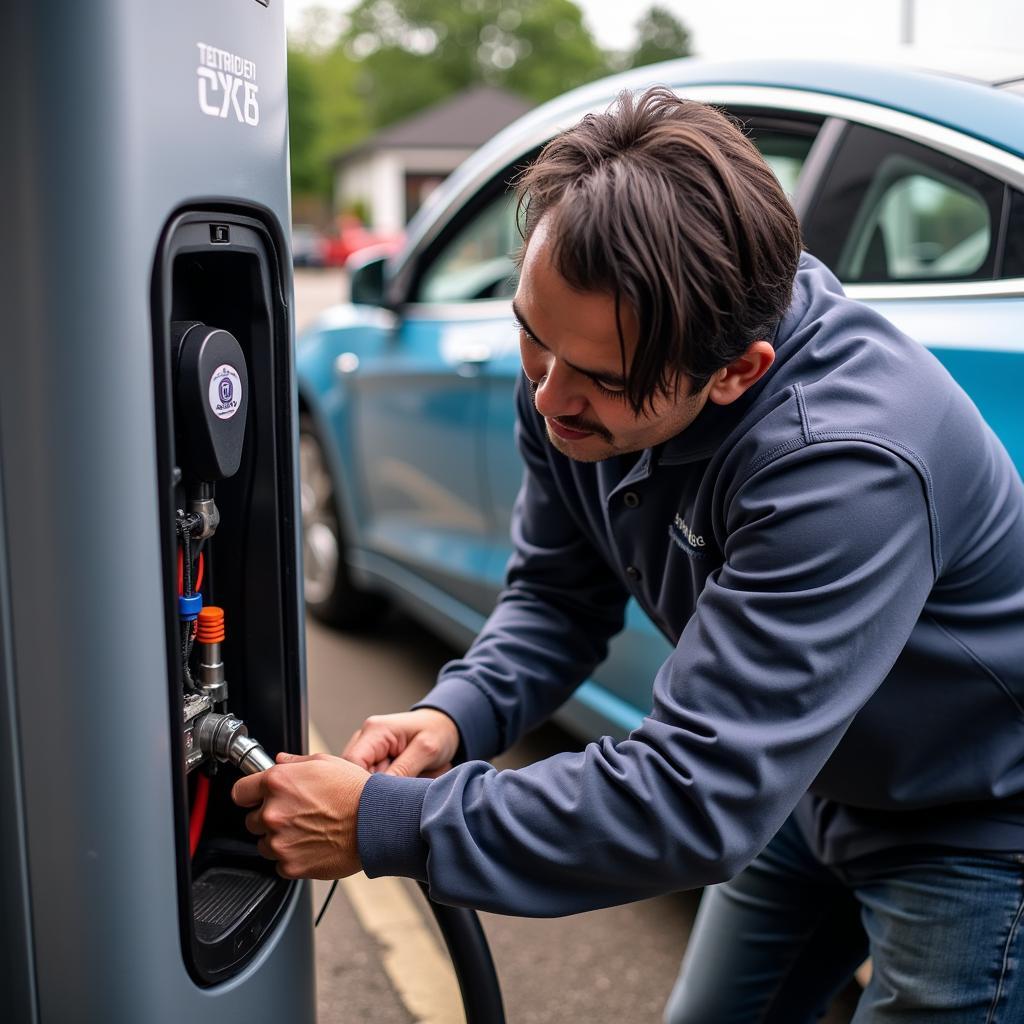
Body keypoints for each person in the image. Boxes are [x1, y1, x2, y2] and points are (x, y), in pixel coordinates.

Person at [232, 87, 1024, 1021]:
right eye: (533, 335)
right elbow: (557, 600)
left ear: (738, 372)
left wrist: (379, 823)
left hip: (972, 819)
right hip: (797, 776)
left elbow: (694, 798)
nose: (550, 400)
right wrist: (455, 715)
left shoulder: (847, 466)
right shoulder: (575, 376)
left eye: (603, 381)